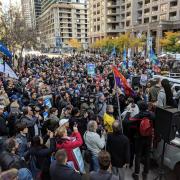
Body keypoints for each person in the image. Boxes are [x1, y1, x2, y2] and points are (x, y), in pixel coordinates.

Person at [130, 101, 155, 180]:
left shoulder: (138, 116)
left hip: (139, 138)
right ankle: (145, 173)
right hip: (148, 137)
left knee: (138, 155)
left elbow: (130, 123)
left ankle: (136, 173)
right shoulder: (152, 115)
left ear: (140, 108)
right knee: (147, 155)